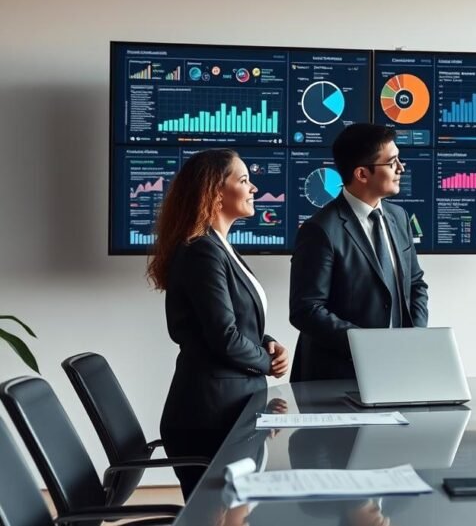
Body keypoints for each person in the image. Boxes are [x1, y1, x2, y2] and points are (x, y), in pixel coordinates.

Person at [147, 148, 289, 500]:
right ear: (215, 192)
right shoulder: (202, 251)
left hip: (231, 406)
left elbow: (234, 320)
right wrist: (267, 362)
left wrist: (266, 342)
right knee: (221, 515)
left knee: (235, 513)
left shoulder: (218, 246)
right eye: (244, 180)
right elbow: (223, 336)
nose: (254, 188)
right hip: (210, 417)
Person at [290, 123, 429, 382]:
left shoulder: (399, 217)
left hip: (397, 369)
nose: (401, 168)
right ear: (362, 174)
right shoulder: (320, 229)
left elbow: (416, 284)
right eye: (392, 162)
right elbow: (307, 309)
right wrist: (369, 346)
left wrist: (415, 337)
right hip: (338, 375)